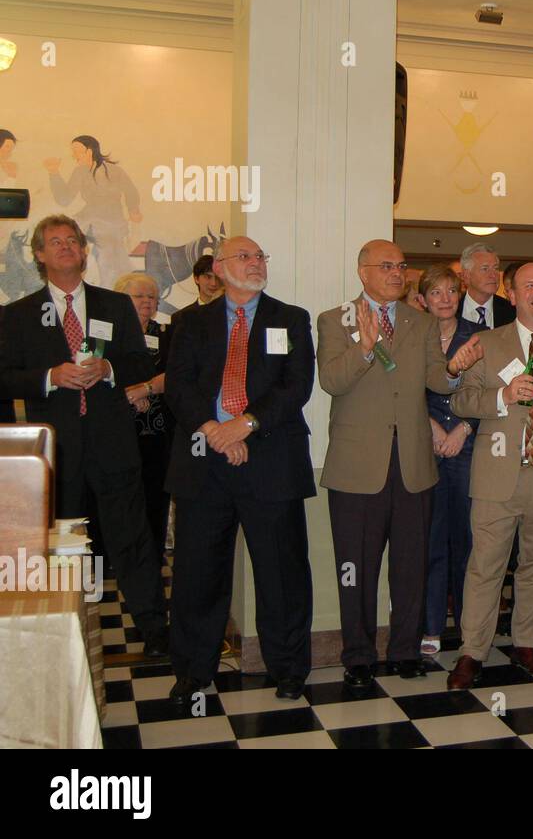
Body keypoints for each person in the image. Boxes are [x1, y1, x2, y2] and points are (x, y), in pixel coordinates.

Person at [318, 241, 483, 687]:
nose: (397, 272)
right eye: (386, 266)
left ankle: (406, 650)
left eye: (401, 265)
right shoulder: (336, 320)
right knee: (356, 566)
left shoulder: (420, 321)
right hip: (356, 466)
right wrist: (366, 349)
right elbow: (331, 380)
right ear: (362, 271)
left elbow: (435, 379)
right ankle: (358, 654)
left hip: (413, 464)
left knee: (411, 563)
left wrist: (453, 369)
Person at [0, 215, 167, 655]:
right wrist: (50, 376)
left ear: (84, 251)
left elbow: (140, 364)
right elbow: (5, 378)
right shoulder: (16, 316)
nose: (65, 247)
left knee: (132, 538)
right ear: (39, 255)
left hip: (113, 446)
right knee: (61, 547)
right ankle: (58, 634)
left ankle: (155, 632)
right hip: (57, 450)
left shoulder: (114, 306)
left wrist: (109, 369)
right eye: (54, 242)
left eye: (72, 240)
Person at [164, 236, 316, 702]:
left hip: (271, 463)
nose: (256, 263)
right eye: (245, 257)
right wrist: (217, 430)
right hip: (204, 464)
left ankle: (288, 669)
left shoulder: (290, 319)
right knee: (197, 573)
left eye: (260, 257)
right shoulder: (189, 322)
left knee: (282, 572)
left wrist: (244, 426)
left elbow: (296, 386)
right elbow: (179, 386)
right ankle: (193, 670)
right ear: (220, 267)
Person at [446, 263, 533, 688]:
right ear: (512, 294)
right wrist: (502, 395)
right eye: (530, 285)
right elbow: (462, 400)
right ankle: (472, 651)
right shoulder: (486, 342)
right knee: (485, 567)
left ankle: (529, 642)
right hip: (497, 474)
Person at [418, 265, 487, 659]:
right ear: (423, 299)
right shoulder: (414, 335)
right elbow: (403, 389)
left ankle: (467, 626)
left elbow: (486, 389)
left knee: (467, 542)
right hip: (424, 445)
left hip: (466, 447)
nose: (445, 299)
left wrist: (462, 429)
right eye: (436, 292)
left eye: (451, 292)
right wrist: (430, 426)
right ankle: (430, 626)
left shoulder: (476, 337)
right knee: (430, 540)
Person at [115, 271, 174, 563]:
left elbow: (176, 374)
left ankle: (152, 551)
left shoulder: (165, 334)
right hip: (118, 427)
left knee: (155, 490)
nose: (148, 301)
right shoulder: (109, 333)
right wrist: (128, 396)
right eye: (140, 296)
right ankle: (119, 554)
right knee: (120, 493)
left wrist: (145, 391)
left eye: (152, 296)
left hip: (158, 428)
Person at [43, 136, 141, 286]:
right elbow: (64, 199)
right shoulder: (80, 171)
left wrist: (133, 210)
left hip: (111, 221)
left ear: (89, 151)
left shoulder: (114, 171)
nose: (74, 155)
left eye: (77, 151)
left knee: (110, 258)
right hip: (87, 218)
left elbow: (131, 191)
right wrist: (54, 173)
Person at [458, 243, 515, 328]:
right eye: (485, 269)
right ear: (467, 275)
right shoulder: (452, 308)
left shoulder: (512, 312)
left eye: (495, 268)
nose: (493, 275)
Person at [170, 255, 225, 331]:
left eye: (218, 277)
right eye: (208, 277)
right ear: (196, 279)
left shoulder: (233, 314)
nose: (214, 283)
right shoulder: (180, 318)